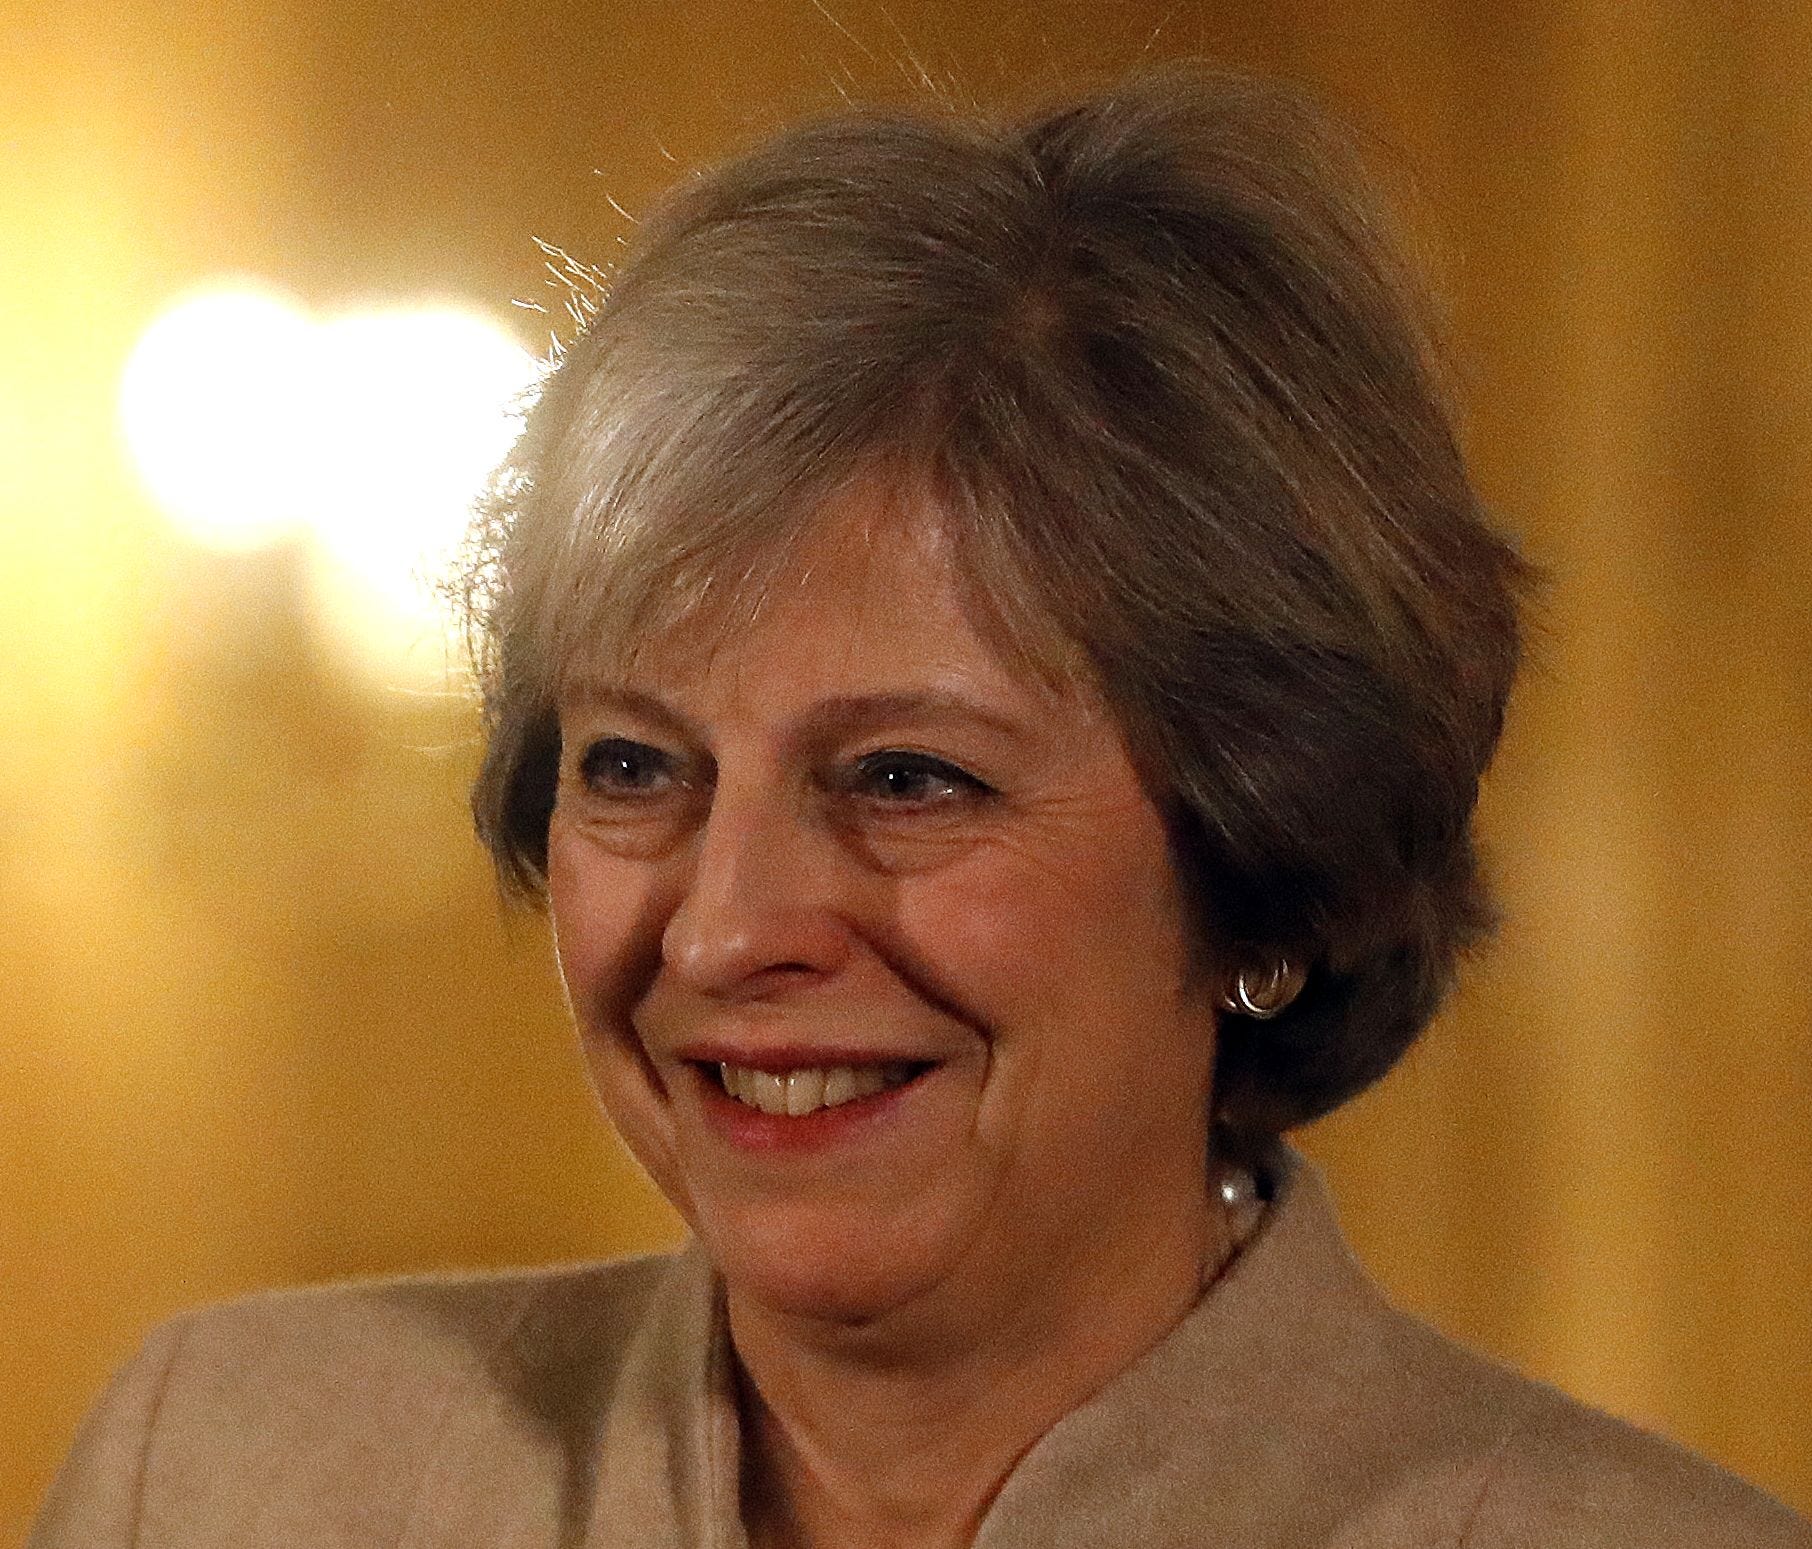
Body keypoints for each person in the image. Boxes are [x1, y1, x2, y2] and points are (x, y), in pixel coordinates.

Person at [31, 65, 1811, 1549]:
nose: (725, 929)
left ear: (1272, 874)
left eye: (905, 778)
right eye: (636, 767)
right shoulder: (231, 1475)